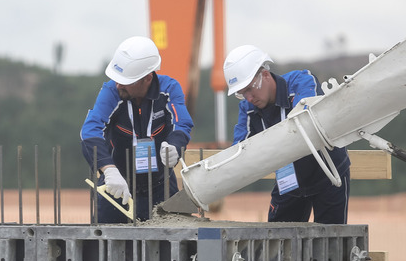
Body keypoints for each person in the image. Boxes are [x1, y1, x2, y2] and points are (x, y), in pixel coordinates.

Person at [224, 44, 350, 223]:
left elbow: (303, 120)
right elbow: (238, 150)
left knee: (332, 243)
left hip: (328, 174)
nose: (249, 98)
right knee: (278, 241)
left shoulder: (302, 81)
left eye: (250, 89)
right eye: (242, 93)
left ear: (265, 75)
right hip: (289, 180)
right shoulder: (247, 108)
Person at [81, 36, 193, 223]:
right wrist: (109, 170)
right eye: (116, 78)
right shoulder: (111, 91)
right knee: (107, 247)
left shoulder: (169, 89)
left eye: (126, 80)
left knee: (169, 246)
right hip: (117, 185)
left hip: (161, 185)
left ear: (147, 78)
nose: (118, 84)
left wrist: (175, 146)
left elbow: (182, 123)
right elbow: (90, 131)